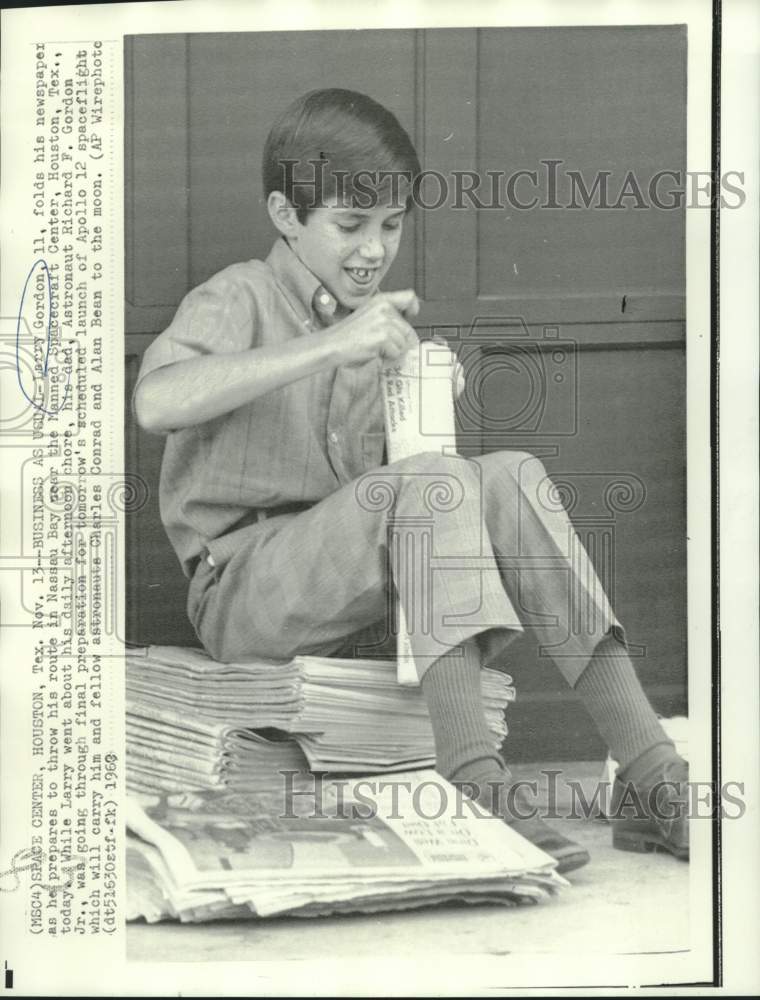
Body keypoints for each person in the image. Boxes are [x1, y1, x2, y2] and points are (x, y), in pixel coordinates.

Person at [134, 88, 689, 874]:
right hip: (243, 593)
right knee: (435, 484)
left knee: (509, 475)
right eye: (350, 225)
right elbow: (156, 401)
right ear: (286, 216)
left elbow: (398, 511)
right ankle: (473, 791)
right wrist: (332, 348)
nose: (374, 250)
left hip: (349, 595)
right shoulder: (237, 297)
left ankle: (651, 776)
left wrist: (420, 410)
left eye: (391, 226)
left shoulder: (379, 334)